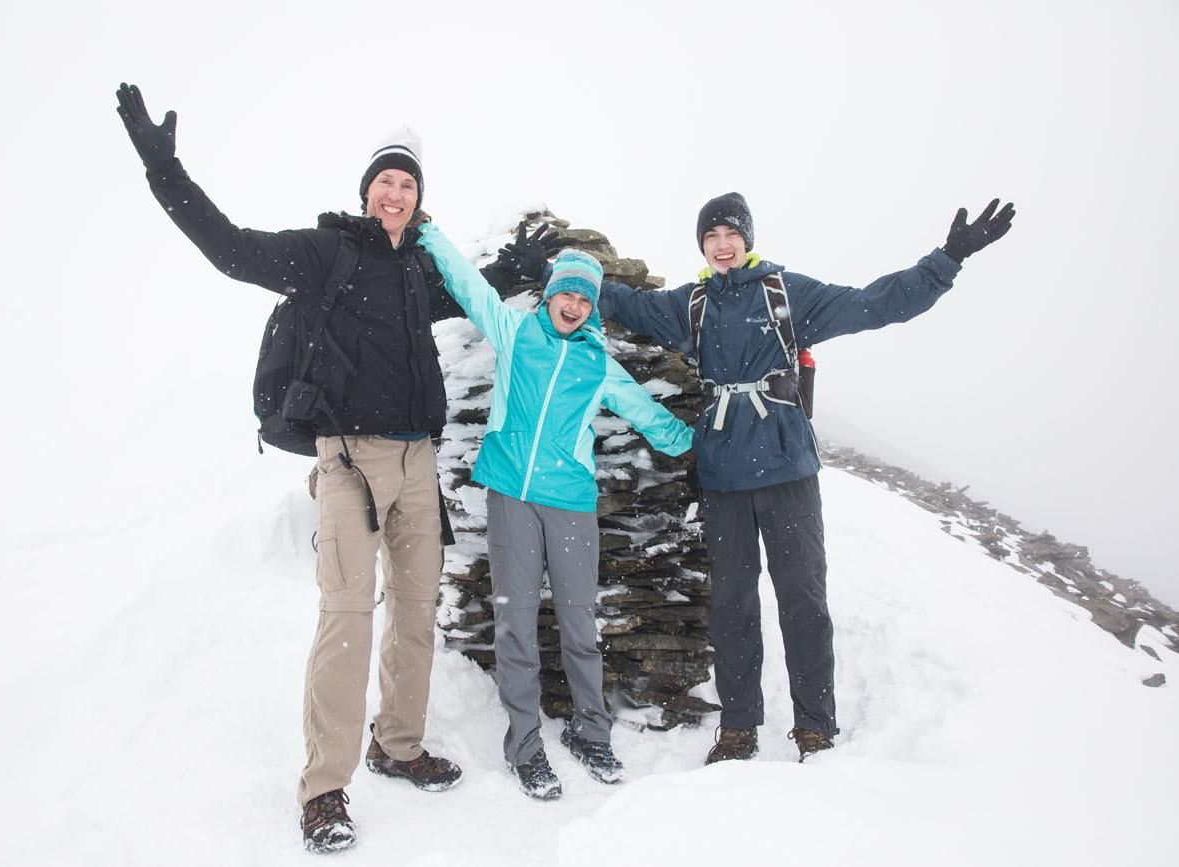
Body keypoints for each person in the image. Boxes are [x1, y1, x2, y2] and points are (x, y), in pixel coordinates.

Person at [502, 192, 1014, 763]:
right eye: (711, 237)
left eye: (730, 235)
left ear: (747, 239)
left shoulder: (786, 294)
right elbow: (619, 300)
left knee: (803, 598)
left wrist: (947, 260)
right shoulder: (690, 304)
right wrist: (550, 274)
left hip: (787, 467)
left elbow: (876, 304)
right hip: (722, 474)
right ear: (702, 246)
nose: (721, 246)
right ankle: (739, 726)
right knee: (733, 605)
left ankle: (815, 726)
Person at [115, 82, 468, 855]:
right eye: (386, 180)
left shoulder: (421, 274)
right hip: (349, 462)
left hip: (418, 462)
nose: (396, 193)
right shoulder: (327, 252)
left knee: (414, 611)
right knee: (346, 619)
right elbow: (231, 248)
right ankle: (324, 788)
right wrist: (163, 171)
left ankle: (398, 744)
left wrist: (525, 261)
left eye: (408, 184)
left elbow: (479, 301)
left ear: (419, 198)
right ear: (366, 188)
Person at [417, 226, 694, 798]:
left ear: (592, 306)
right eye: (566, 293)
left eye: (584, 298)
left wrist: (705, 443)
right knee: (516, 624)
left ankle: (591, 732)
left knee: (579, 625)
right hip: (511, 495)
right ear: (549, 294)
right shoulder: (516, 334)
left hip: (571, 502)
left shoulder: (599, 364)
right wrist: (426, 228)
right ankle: (523, 744)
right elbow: (470, 288)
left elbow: (651, 417)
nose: (573, 304)